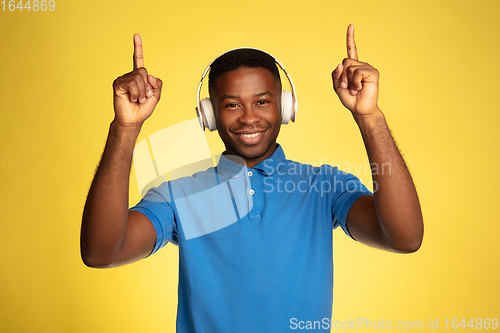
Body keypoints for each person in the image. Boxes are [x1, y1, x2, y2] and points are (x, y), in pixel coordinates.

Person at [81, 24, 423, 332]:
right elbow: (101, 253)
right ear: (209, 114)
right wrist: (125, 128)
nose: (249, 118)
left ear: (285, 106)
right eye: (231, 105)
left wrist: (369, 116)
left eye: (262, 101)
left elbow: (404, 238)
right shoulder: (178, 195)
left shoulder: (324, 187)